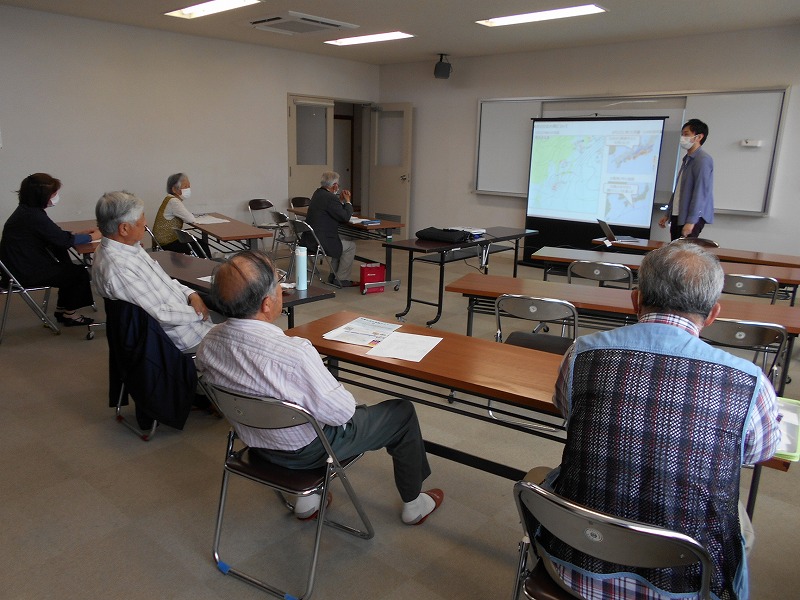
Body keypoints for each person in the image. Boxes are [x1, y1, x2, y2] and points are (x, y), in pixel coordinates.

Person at [537, 242, 780, 599]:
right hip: (686, 584)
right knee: (738, 519)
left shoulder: (583, 352)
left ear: (636, 300)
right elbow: (758, 453)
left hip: (572, 561)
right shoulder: (748, 381)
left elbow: (567, 409)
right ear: (712, 314)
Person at [196, 250, 443, 524]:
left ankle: (308, 499)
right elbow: (342, 415)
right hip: (307, 452)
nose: (282, 289)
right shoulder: (294, 353)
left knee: (296, 410)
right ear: (267, 304)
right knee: (401, 412)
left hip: (256, 443)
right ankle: (414, 504)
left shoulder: (209, 343)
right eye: (279, 283)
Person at [93, 190, 213, 352]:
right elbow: (161, 314)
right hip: (185, 335)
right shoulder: (118, 269)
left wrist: (192, 294)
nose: (145, 223)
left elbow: (164, 280)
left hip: (187, 315)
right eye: (141, 219)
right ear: (124, 229)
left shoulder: (129, 248)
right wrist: (199, 312)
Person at [0, 173, 100, 326]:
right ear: (42, 196)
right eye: (54, 193)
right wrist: (94, 236)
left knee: (66, 264)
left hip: (18, 267)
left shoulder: (26, 211)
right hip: (24, 273)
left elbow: (53, 235)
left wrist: (77, 234)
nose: (56, 196)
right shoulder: (33, 216)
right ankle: (70, 315)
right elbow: (62, 241)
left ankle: (62, 309)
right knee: (78, 273)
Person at [659, 119, 714, 240]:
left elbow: (700, 192)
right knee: (674, 250)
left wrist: (691, 221)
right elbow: (678, 190)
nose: (683, 137)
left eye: (686, 134)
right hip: (678, 213)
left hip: (690, 217)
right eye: (682, 134)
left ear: (699, 137)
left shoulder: (702, 159)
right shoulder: (687, 159)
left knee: (683, 253)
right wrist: (668, 213)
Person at [304, 171, 358, 287]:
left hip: (311, 239)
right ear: (334, 185)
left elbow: (334, 209)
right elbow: (344, 216)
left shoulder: (318, 193)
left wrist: (341, 201)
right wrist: (348, 201)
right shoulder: (330, 198)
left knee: (340, 240)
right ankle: (342, 279)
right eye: (337, 184)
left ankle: (333, 276)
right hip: (321, 241)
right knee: (351, 246)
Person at [152, 173, 209, 255]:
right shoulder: (174, 201)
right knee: (202, 245)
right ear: (174, 189)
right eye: (185, 186)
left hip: (162, 242)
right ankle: (208, 266)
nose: (188, 189)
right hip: (166, 244)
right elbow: (190, 219)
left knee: (200, 244)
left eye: (189, 186)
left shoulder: (170, 199)